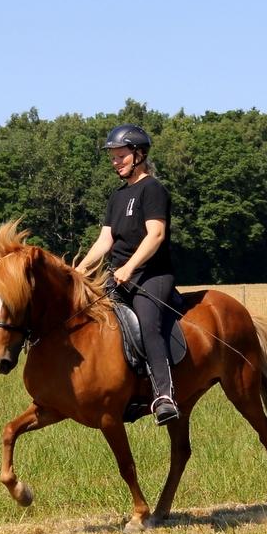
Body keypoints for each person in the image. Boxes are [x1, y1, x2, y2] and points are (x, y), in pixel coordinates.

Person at [76, 124, 180, 425]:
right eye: (113, 157)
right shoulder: (117, 196)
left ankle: (163, 395)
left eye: (121, 156)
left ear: (139, 154)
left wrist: (129, 267)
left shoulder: (153, 189)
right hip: (119, 275)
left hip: (152, 276)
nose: (115, 162)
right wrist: (80, 269)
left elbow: (156, 235)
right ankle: (122, 391)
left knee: (148, 324)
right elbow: (105, 240)